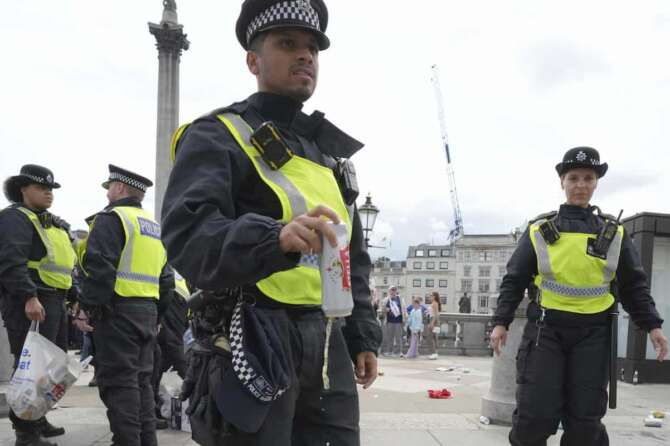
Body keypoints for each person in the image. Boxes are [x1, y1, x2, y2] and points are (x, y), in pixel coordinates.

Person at [160, 1, 382, 444]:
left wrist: (363, 338)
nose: (306, 56)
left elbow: (351, 260)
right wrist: (273, 239)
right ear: (253, 60)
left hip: (327, 344)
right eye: (288, 44)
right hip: (251, 335)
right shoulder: (218, 134)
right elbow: (188, 235)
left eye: (312, 49)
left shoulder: (329, 156)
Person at [489, 147, 668, 446]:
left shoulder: (615, 234)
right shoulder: (539, 229)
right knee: (534, 416)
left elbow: (634, 286)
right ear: (562, 182)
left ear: (596, 183)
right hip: (545, 332)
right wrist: (500, 322)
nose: (581, 185)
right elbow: (514, 279)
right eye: (574, 178)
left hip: (594, 335)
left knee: (585, 422)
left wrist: (653, 325)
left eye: (588, 178)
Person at [78, 165, 174, 446]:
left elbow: (100, 269)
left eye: (109, 187)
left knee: (120, 385)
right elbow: (166, 279)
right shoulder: (153, 226)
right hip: (147, 313)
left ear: (119, 188)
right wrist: (159, 315)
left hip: (117, 313)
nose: (107, 192)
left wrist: (88, 309)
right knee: (142, 384)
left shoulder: (112, 218)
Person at [0, 164, 76, 446]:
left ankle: (38, 419)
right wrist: (28, 296)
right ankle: (25, 434)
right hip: (30, 302)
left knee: (51, 367)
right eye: (41, 188)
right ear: (23, 190)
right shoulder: (15, 219)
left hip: (53, 300)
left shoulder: (49, 221)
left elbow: (63, 265)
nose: (48, 193)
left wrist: (74, 297)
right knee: (31, 369)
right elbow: (10, 262)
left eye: (51, 189)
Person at [382, 286, 405, 356]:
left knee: (398, 337)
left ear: (396, 291)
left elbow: (404, 309)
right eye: (391, 290)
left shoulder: (400, 299)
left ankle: (399, 352)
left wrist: (404, 319)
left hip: (398, 321)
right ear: (389, 291)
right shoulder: (386, 299)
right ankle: (390, 351)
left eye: (394, 290)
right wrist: (386, 309)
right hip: (389, 321)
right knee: (390, 337)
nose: (393, 291)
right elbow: (383, 309)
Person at [428, 291, 442, 360]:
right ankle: (435, 353)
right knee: (433, 338)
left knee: (431, 337)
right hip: (434, 320)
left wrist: (432, 323)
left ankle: (434, 353)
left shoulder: (435, 303)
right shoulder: (433, 303)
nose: (429, 296)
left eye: (431, 295)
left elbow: (436, 314)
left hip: (434, 321)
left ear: (434, 296)